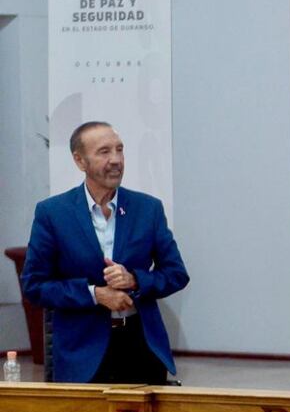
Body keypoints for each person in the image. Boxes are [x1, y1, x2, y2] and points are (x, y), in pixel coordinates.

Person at [21, 121, 189, 384]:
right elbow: (34, 286)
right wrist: (95, 294)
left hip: (141, 347)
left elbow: (177, 274)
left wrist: (135, 280)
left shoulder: (148, 209)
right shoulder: (53, 213)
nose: (116, 160)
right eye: (104, 152)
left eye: (119, 150)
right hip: (83, 354)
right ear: (80, 161)